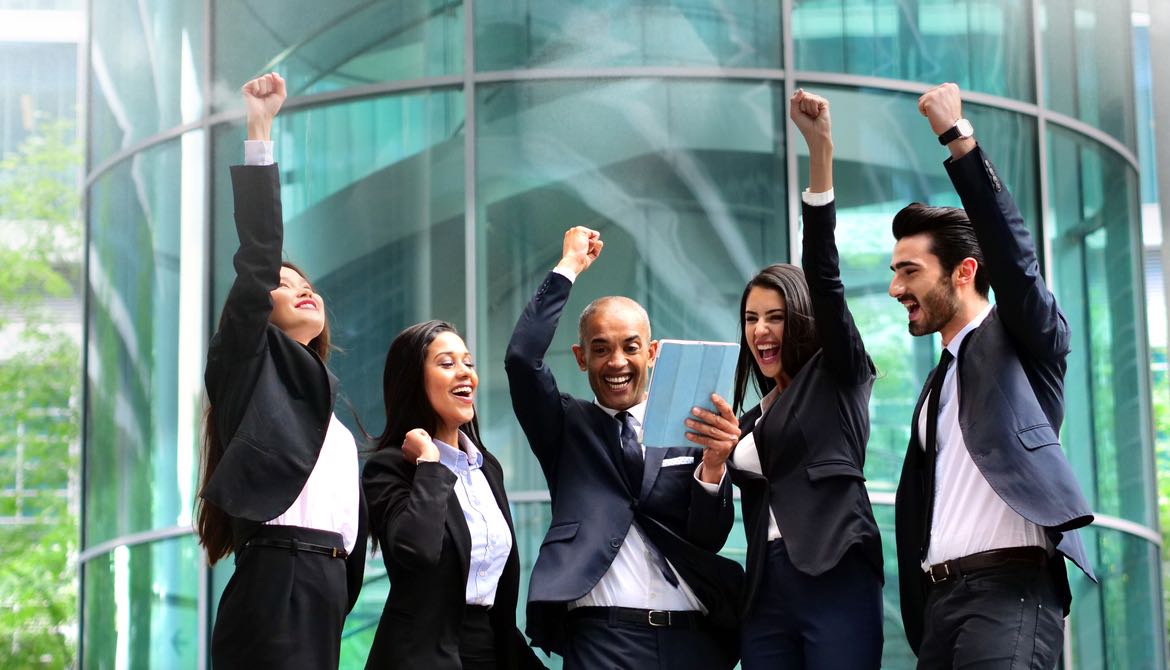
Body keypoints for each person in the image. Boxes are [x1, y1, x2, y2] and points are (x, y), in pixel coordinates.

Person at [890, 82, 1095, 668]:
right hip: (942, 605)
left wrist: (959, 141)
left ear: (964, 272)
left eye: (909, 271)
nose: (895, 288)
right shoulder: (937, 383)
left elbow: (1016, 262)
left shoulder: (1025, 340)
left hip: (1010, 592)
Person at [697, 89, 884, 669]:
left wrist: (820, 152)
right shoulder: (747, 419)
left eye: (775, 317)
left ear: (800, 318)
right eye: (751, 320)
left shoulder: (839, 374)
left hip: (835, 569)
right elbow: (717, 512)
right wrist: (714, 463)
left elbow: (825, 278)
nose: (761, 332)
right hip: (766, 591)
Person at [504, 228, 745, 670]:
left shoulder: (690, 425)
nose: (617, 361)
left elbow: (709, 538)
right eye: (601, 349)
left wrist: (713, 468)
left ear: (651, 352)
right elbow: (522, 358)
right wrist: (569, 268)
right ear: (580, 358)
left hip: (691, 639)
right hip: (603, 641)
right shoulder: (563, 425)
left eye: (630, 347)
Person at [195, 72, 366, 669]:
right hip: (275, 582)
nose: (301, 290)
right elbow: (259, 254)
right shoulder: (244, 366)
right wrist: (260, 127)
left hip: (325, 590)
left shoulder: (331, 417)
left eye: (308, 285)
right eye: (283, 285)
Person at [361, 320, 544, 670]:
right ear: (414, 380)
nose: (465, 374)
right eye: (447, 364)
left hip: (491, 652)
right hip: (422, 657)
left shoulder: (486, 467)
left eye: (469, 363)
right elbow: (417, 551)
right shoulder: (390, 469)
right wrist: (430, 466)